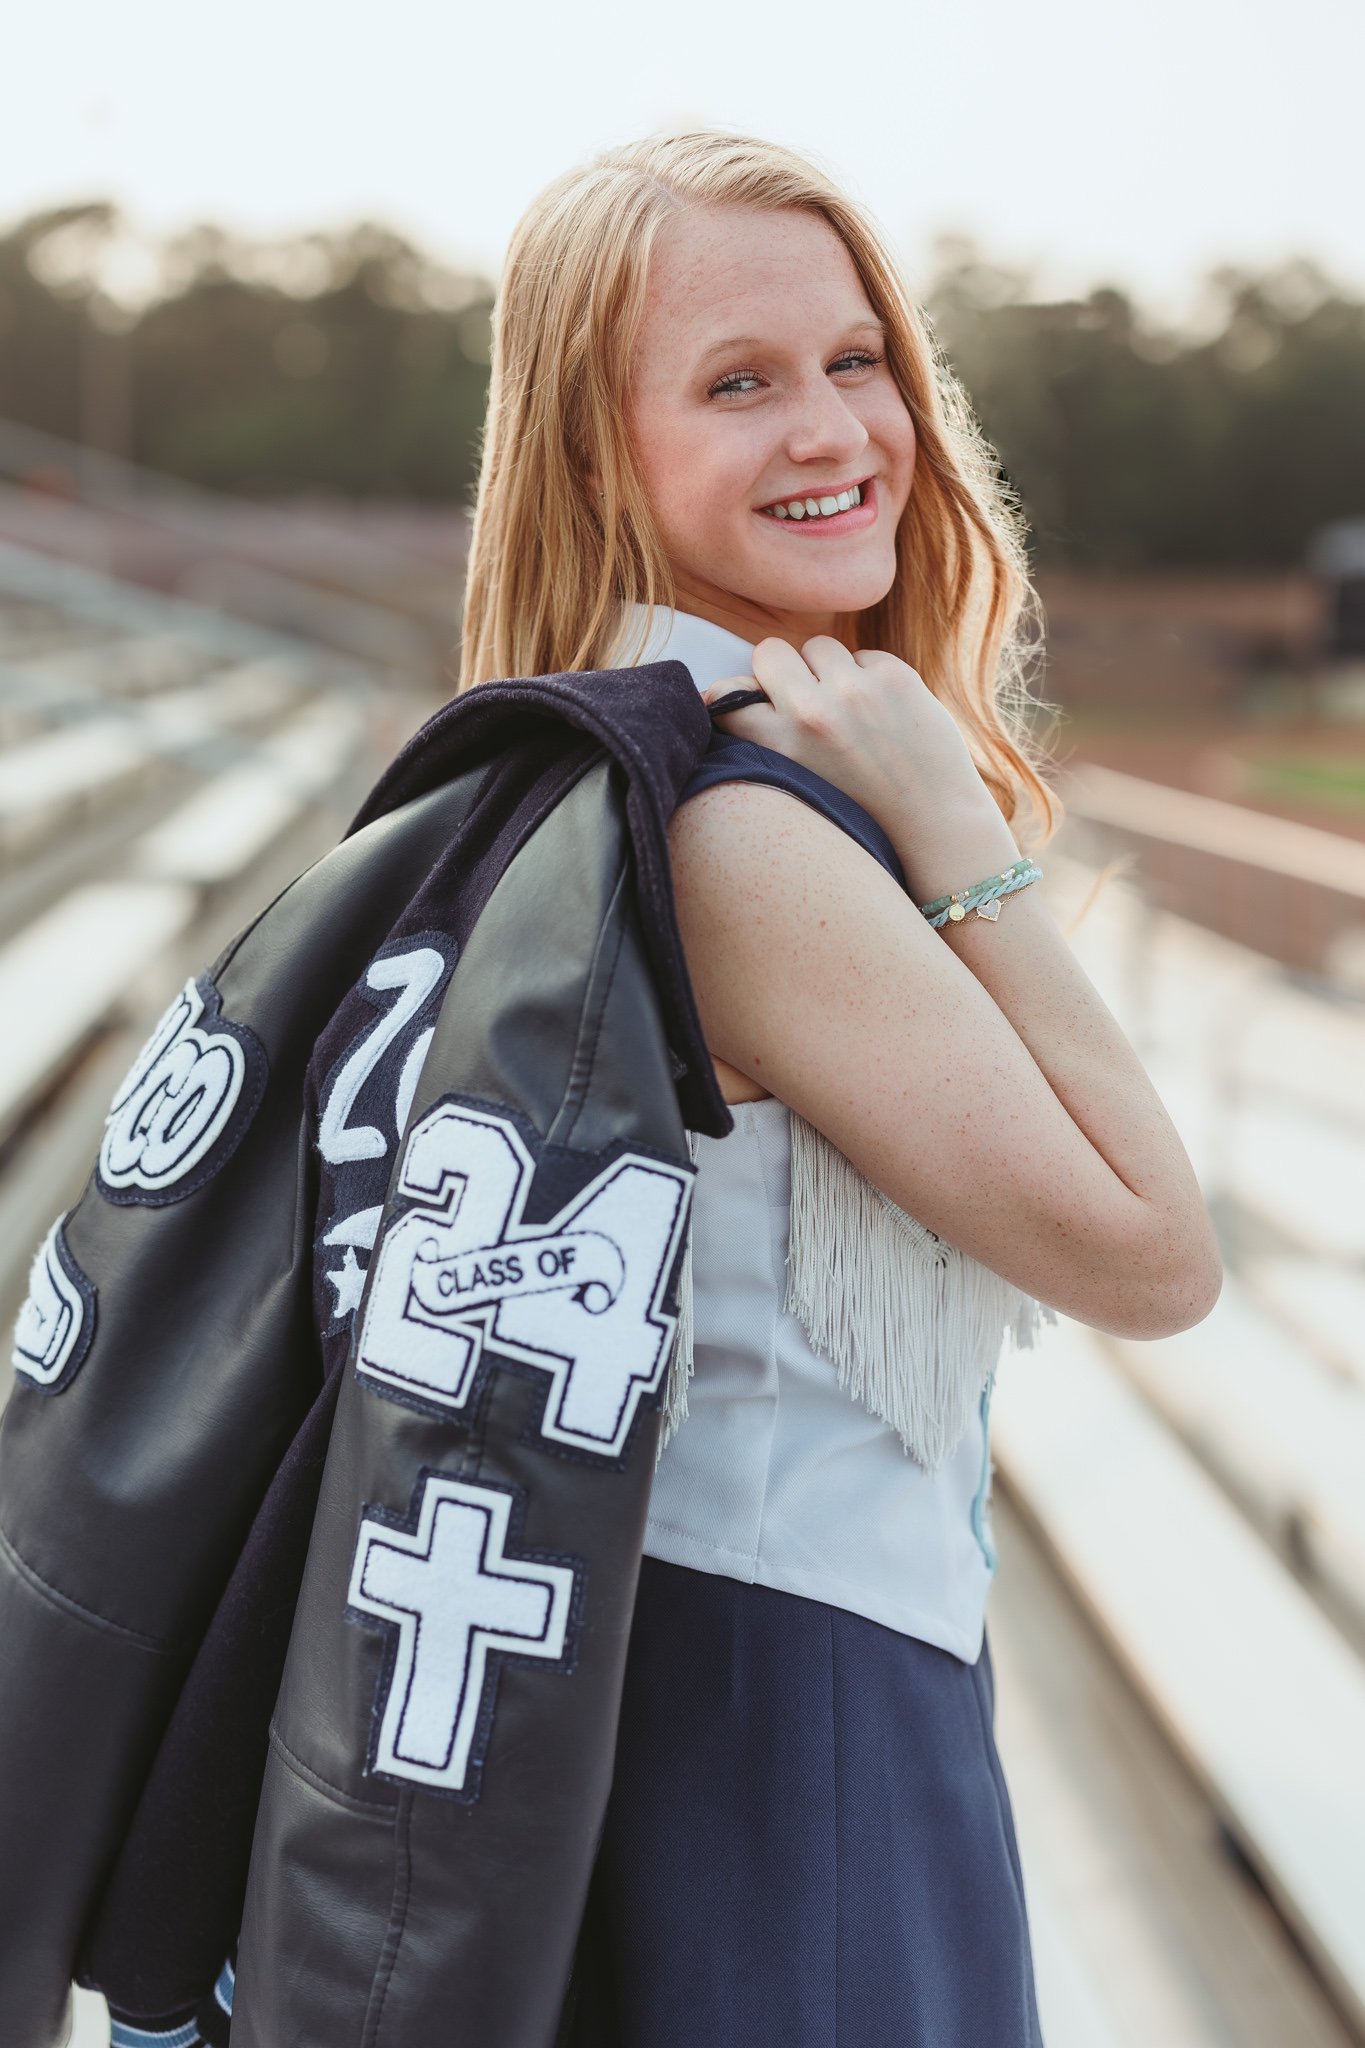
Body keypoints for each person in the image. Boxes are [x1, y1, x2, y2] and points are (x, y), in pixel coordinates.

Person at [456, 129, 1223, 2046]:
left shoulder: (585, 748)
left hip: (734, 1662)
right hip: (786, 1699)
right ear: (588, 451)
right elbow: (1151, 1254)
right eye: (739, 383)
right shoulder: (737, 829)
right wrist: (965, 846)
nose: (837, 430)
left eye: (857, 358)